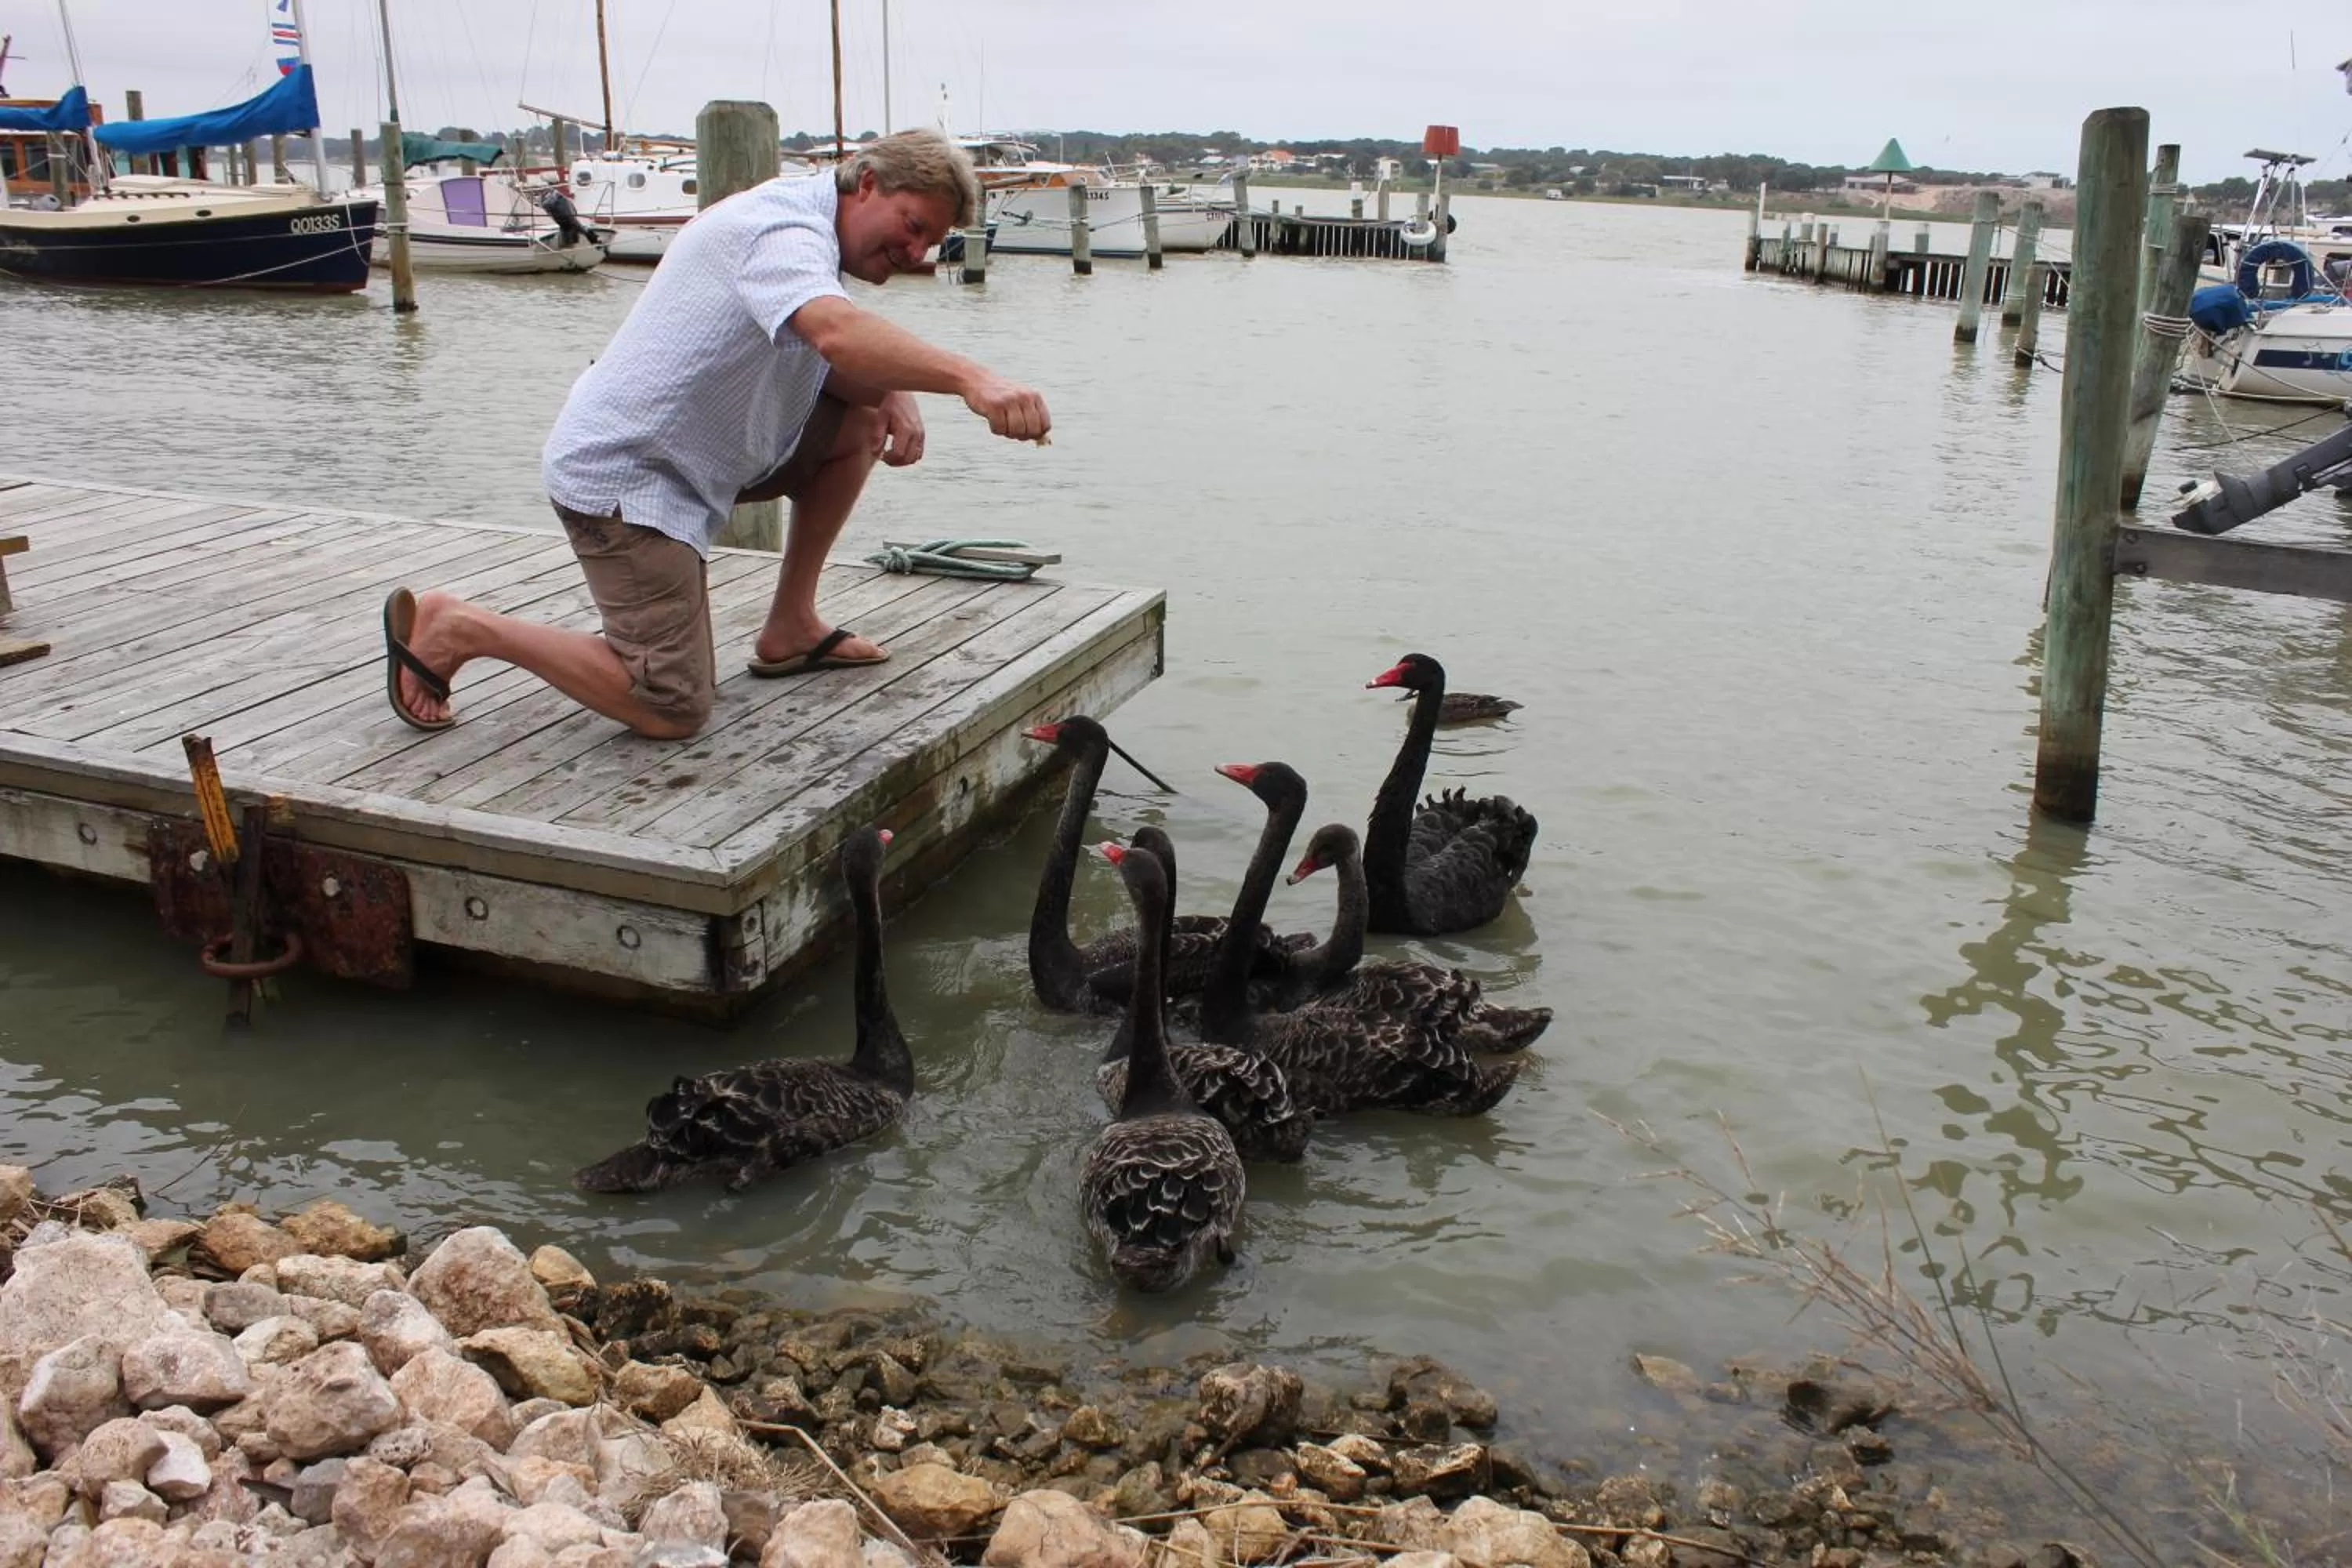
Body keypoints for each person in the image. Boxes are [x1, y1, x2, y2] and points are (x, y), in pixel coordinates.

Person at [380, 129, 1051, 740]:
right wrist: (972, 378)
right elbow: (835, 331)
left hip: (702, 461)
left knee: (866, 409)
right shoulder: (782, 229)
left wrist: (894, 389)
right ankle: (462, 627)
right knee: (671, 704)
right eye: (913, 226)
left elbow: (838, 342)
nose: (915, 253)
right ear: (868, 184)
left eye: (930, 242)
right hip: (628, 481)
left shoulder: (810, 223)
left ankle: (791, 626)